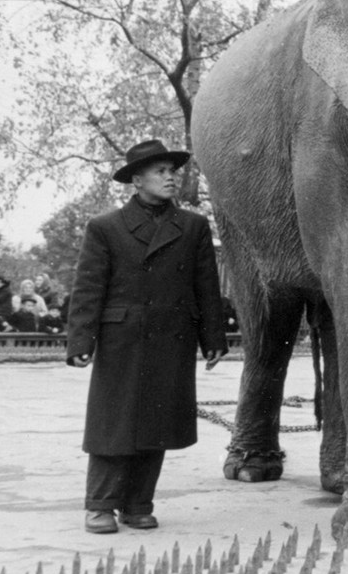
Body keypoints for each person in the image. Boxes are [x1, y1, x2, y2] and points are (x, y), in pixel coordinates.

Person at [67, 139, 228, 534]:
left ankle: (139, 503)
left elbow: (205, 286)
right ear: (136, 180)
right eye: (161, 171)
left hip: (173, 337)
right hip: (123, 338)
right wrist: (80, 342)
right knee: (114, 423)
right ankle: (101, 504)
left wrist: (213, 337)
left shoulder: (192, 227)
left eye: (173, 171)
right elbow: (88, 288)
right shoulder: (105, 227)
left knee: (157, 422)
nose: (171, 177)